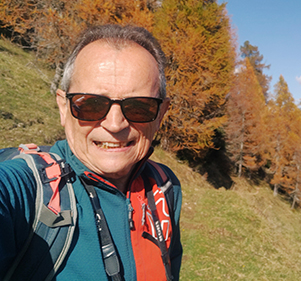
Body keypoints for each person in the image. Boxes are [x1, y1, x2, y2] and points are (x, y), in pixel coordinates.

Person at [0, 25, 182, 281]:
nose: (115, 124)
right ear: (64, 107)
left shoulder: (164, 187)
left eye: (139, 107)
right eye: (92, 104)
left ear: (161, 114)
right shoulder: (28, 189)